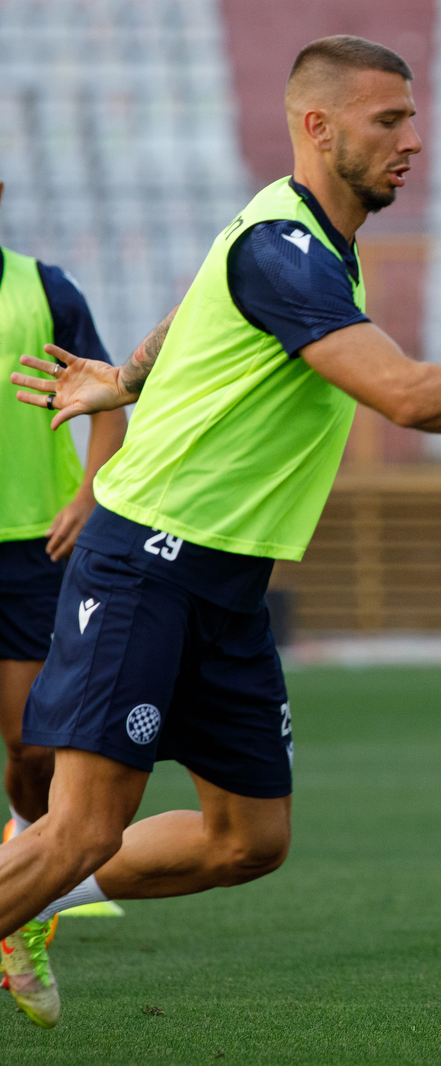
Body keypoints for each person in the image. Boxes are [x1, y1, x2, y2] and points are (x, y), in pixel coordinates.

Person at [0, 35, 441, 1030]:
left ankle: (28, 895)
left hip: (228, 586)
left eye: (413, 119)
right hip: (148, 563)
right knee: (78, 826)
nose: (413, 141)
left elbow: (195, 306)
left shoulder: (293, 241)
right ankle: (30, 878)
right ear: (317, 125)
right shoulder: (284, 250)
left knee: (248, 839)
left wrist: (125, 375)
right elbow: (410, 398)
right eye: (390, 121)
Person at [1, 181, 127, 865]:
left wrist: (88, 496)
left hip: (29, 545)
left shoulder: (47, 290)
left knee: (30, 743)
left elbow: (112, 397)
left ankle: (27, 859)